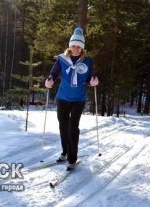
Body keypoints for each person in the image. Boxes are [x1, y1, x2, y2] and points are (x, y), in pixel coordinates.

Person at [45, 27, 99, 171]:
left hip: (78, 99)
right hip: (62, 97)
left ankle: (72, 158)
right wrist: (50, 79)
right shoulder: (62, 59)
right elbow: (54, 72)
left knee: (72, 127)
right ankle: (65, 151)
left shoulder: (87, 61)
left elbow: (89, 78)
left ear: (82, 48)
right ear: (70, 46)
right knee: (63, 125)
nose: (76, 49)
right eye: (74, 46)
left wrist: (93, 81)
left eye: (79, 46)